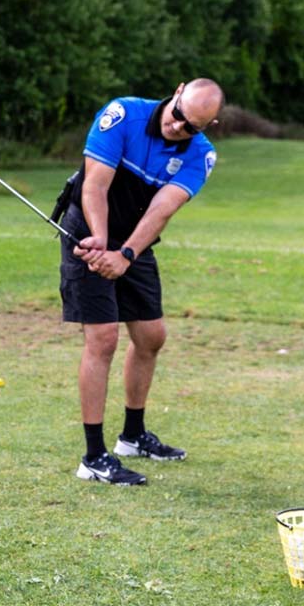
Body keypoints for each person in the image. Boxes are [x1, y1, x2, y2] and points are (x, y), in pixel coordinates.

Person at [60, 79, 223, 486]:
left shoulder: (201, 155)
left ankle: (132, 437)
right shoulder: (124, 115)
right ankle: (93, 457)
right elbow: (95, 185)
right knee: (103, 340)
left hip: (134, 242)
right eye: (178, 115)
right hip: (87, 231)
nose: (178, 127)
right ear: (178, 91)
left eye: (192, 127)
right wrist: (99, 240)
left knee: (151, 337)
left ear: (208, 126)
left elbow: (160, 211)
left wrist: (126, 255)